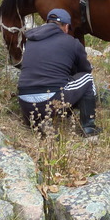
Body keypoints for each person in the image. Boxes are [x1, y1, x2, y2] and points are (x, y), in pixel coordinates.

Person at [17, 8, 102, 136]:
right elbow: (85, 70)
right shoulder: (72, 43)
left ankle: (39, 122)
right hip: (51, 101)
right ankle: (89, 128)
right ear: (66, 26)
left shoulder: (30, 40)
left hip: (25, 103)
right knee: (87, 79)